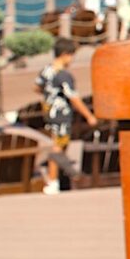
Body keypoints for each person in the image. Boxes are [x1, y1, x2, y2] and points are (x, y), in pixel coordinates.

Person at [35, 37, 98, 194]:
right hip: (61, 113)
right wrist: (89, 116)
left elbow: (37, 87)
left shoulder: (46, 70)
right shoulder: (64, 76)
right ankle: (54, 180)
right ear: (65, 54)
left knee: (59, 143)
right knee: (59, 146)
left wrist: (49, 95)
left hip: (49, 111)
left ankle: (58, 179)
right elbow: (74, 98)